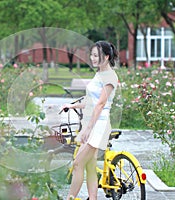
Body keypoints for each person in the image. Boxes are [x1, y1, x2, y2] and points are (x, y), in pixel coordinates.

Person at [63, 41, 119, 200]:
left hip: (99, 126)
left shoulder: (109, 76)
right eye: (92, 55)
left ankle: (70, 198)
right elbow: (90, 101)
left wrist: (88, 129)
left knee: (78, 164)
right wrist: (72, 106)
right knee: (89, 166)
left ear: (106, 57)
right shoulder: (99, 74)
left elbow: (101, 104)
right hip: (92, 124)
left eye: (96, 55)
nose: (92, 58)